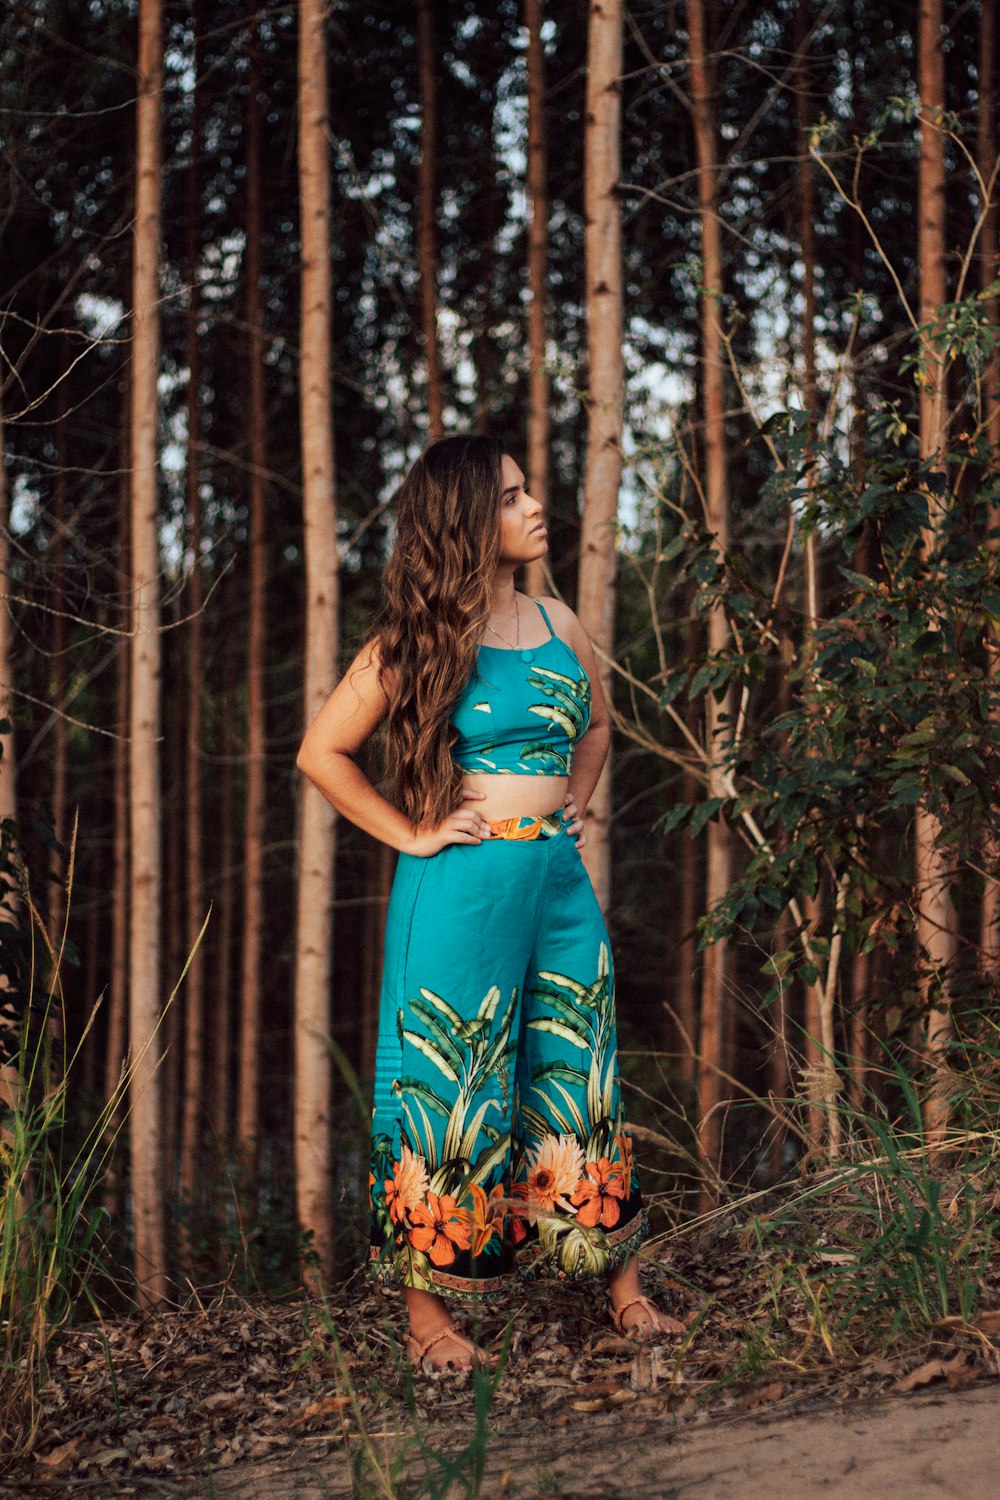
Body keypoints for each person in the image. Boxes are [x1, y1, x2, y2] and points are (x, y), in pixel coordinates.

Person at [296, 434, 684, 1370]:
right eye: (510, 497)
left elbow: (597, 721)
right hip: (460, 888)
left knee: (579, 1070)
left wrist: (575, 801)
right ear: (467, 519)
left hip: (555, 883)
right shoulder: (419, 638)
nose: (533, 505)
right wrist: (413, 833)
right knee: (450, 1086)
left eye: (526, 491)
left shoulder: (560, 621)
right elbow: (321, 754)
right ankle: (428, 1321)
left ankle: (622, 1293)